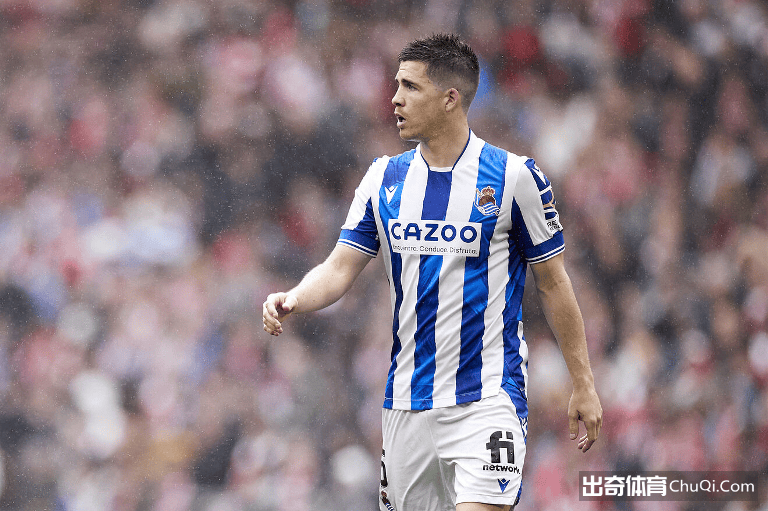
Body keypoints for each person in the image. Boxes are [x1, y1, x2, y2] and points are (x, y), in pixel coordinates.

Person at [263, 33, 602, 511]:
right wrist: (295, 297)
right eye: (395, 85)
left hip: (487, 398)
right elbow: (339, 267)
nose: (395, 99)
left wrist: (583, 383)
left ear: (450, 98)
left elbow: (554, 283)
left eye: (410, 87)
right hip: (407, 403)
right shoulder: (384, 178)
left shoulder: (514, 178)